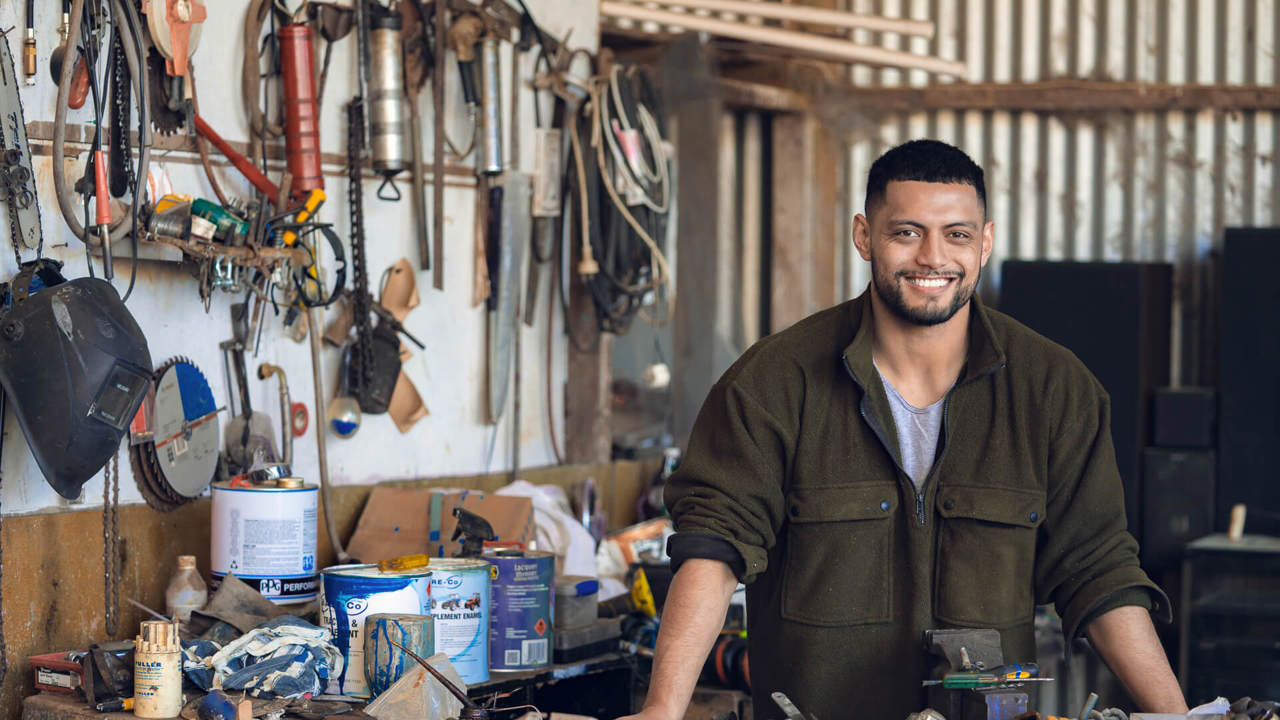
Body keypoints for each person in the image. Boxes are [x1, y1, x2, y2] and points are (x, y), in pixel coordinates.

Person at [619, 140, 1188, 720]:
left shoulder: (1053, 389)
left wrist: (1179, 715)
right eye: (907, 233)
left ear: (985, 241)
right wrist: (662, 710)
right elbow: (715, 547)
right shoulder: (773, 382)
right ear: (864, 236)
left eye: (957, 235)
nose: (932, 257)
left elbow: (1096, 568)